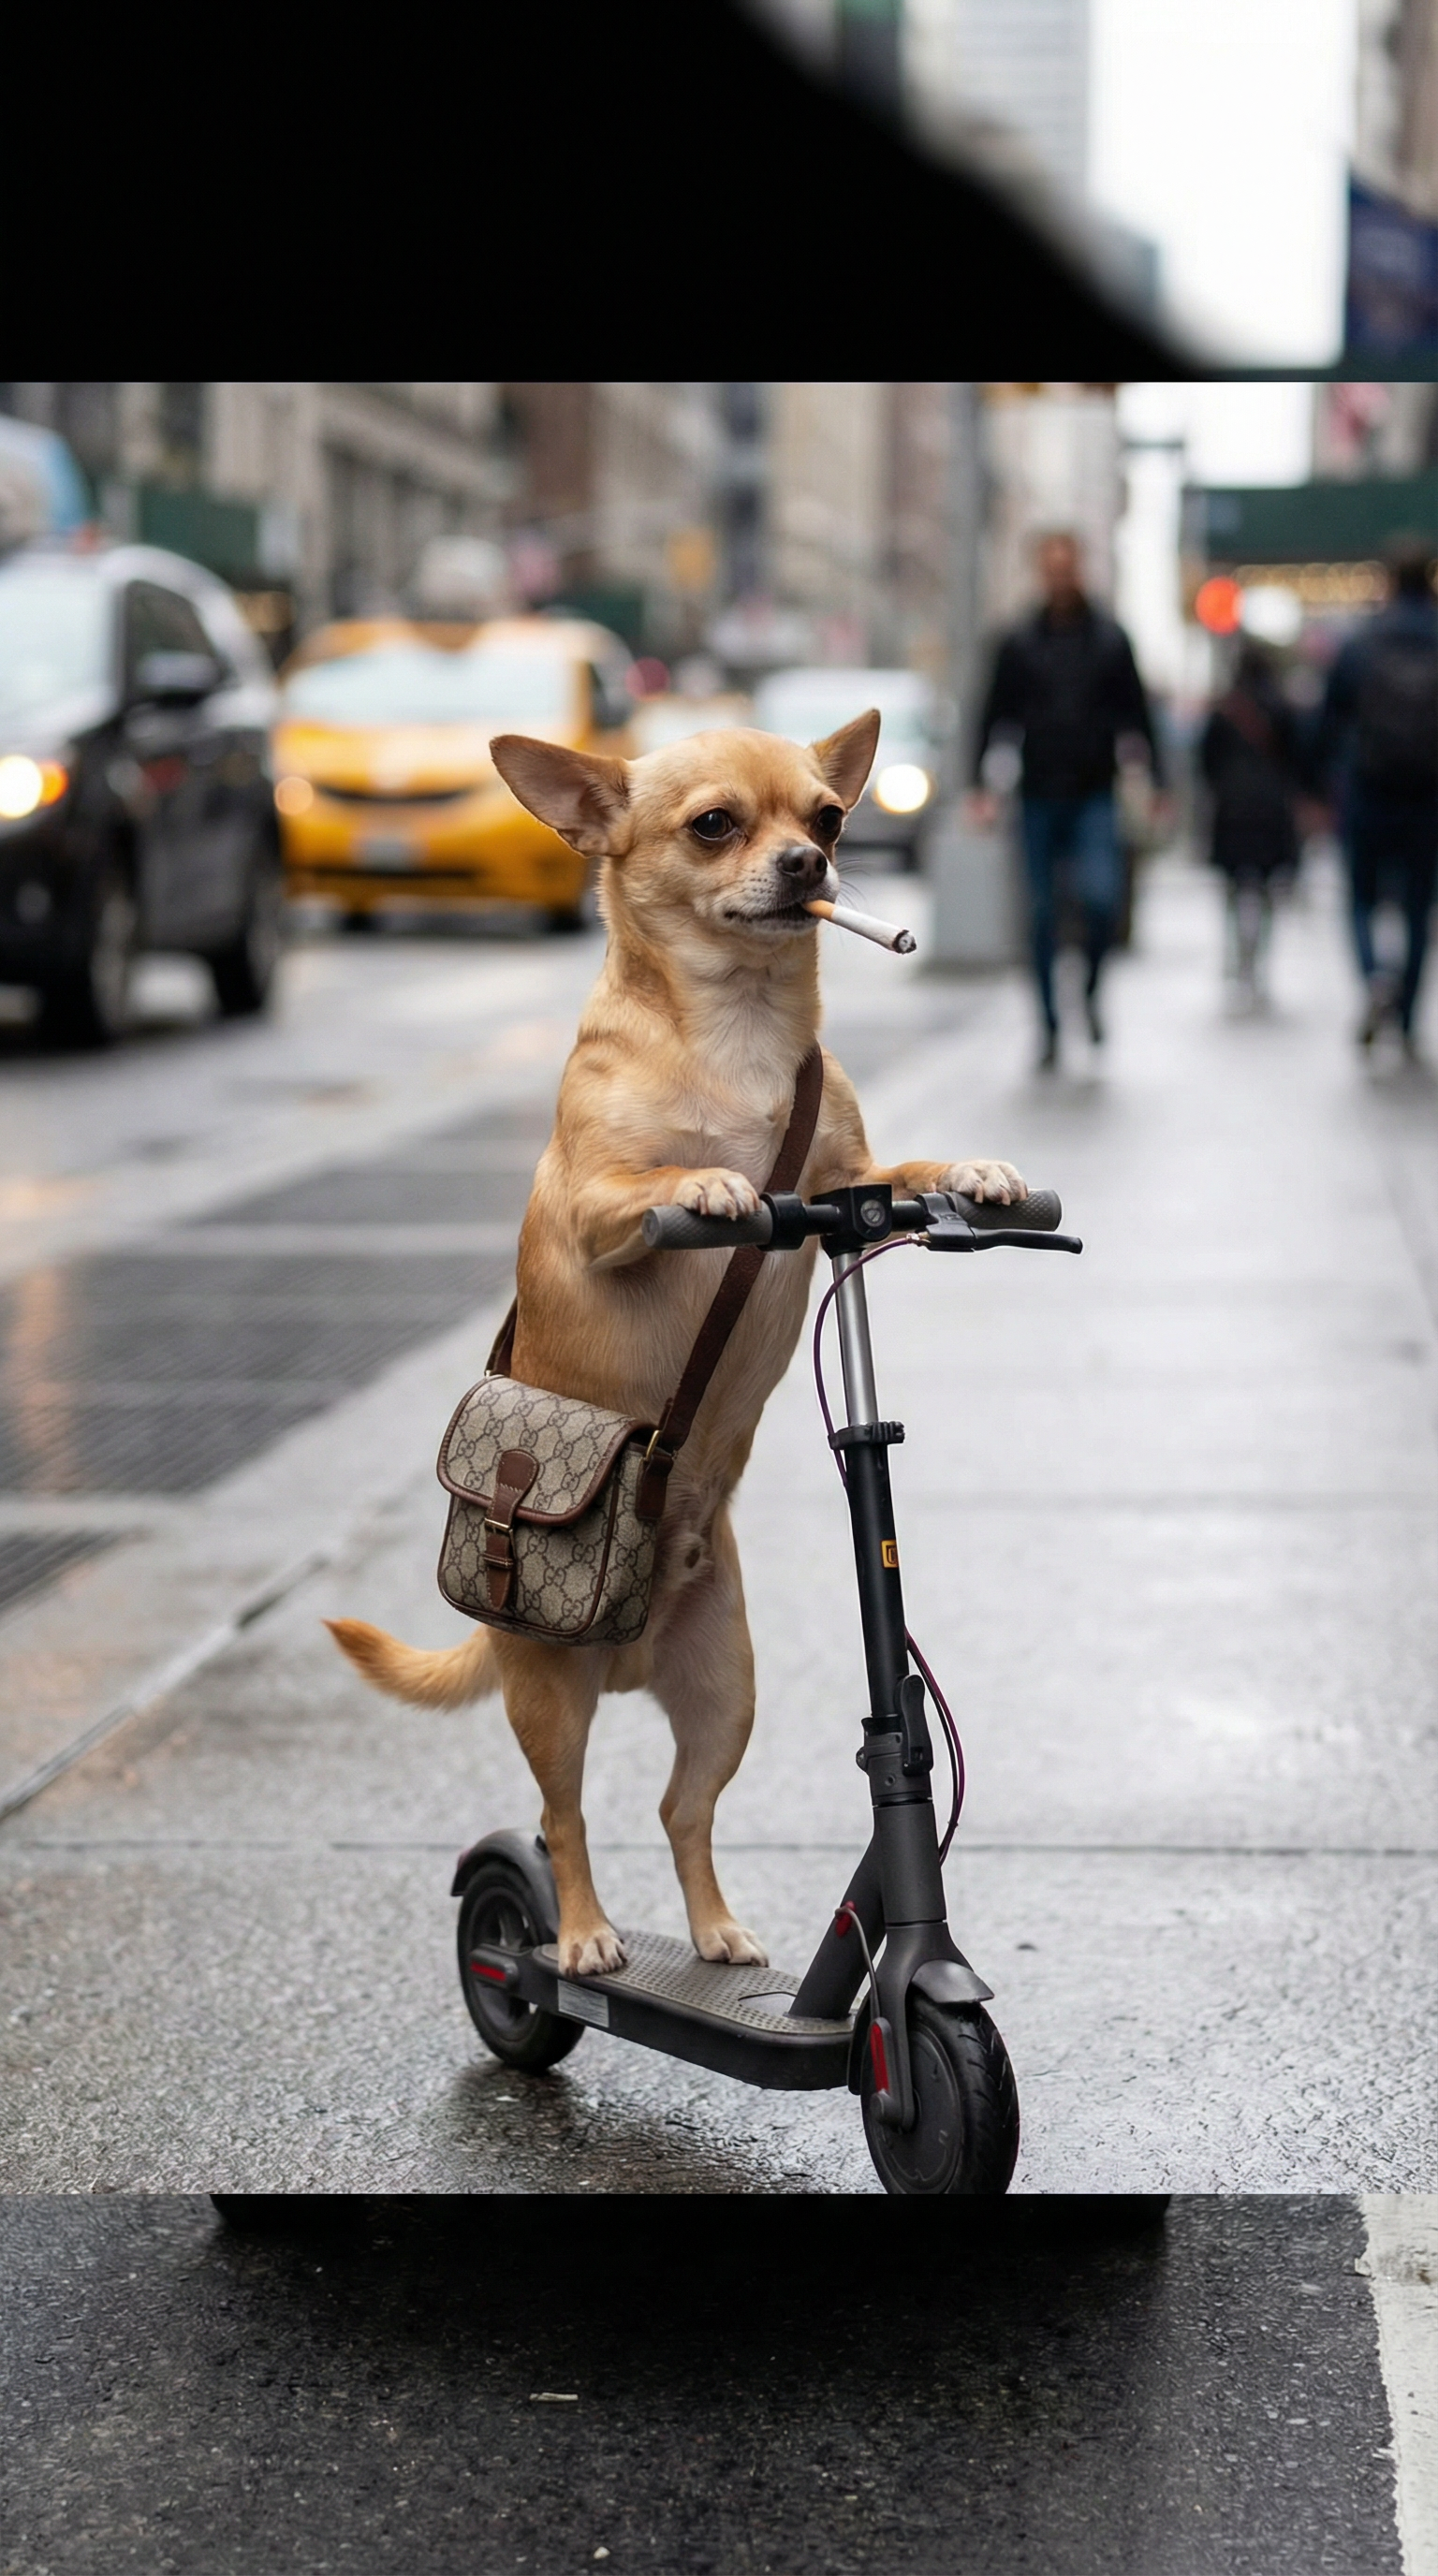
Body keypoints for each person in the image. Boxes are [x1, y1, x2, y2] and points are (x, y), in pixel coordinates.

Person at [970, 532, 1167, 1068]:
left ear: (1080, 569)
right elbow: (991, 717)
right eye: (1050, 567)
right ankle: (1050, 1027)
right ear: (1041, 572)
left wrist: (1160, 785)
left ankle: (1091, 992)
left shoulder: (1109, 639)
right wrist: (978, 788)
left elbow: (1139, 717)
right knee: (1038, 914)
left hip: (1094, 793)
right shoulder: (1018, 640)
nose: (1060, 576)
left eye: (1068, 566)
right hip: (1036, 796)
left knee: (1101, 900)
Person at [1311, 537, 1438, 1055]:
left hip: (1369, 788)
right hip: (1428, 793)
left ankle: (1373, 979)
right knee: (1416, 906)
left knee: (1361, 898)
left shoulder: (1362, 641)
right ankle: (1405, 1016)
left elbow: (1327, 722)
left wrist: (1316, 786)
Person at [1197, 638, 1303, 1004]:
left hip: (1232, 809)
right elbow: (1297, 760)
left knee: (1232, 891)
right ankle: (1258, 961)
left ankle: (1235, 957)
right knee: (1266, 891)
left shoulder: (1224, 710)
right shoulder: (1282, 709)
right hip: (1271, 810)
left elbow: (1206, 763)